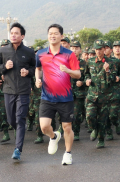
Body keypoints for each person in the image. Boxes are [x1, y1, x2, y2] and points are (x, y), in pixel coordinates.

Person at [35, 24, 81, 165]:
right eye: (50, 33)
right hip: (47, 97)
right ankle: (54, 137)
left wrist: (67, 70)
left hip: (65, 98)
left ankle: (67, 153)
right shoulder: (40, 54)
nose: (52, 35)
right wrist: (37, 78)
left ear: (61, 36)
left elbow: (78, 74)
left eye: (56, 33)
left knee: (67, 127)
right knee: (44, 127)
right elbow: (38, 68)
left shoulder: (69, 54)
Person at [0, 23, 36, 161]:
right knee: (11, 119)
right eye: (12, 33)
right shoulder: (3, 51)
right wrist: (4, 67)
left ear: (22, 36)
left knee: (20, 119)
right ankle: (18, 132)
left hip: (23, 90)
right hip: (8, 90)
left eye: (16, 33)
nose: (13, 35)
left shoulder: (29, 52)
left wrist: (28, 72)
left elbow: (35, 68)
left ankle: (18, 149)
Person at [84, 39, 116, 149]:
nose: (98, 51)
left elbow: (113, 80)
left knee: (102, 120)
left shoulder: (110, 62)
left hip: (105, 96)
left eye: (101, 49)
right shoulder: (90, 61)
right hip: (92, 95)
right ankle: (94, 129)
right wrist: (87, 80)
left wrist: (107, 71)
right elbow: (86, 74)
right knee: (89, 116)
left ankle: (101, 140)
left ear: (104, 49)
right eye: (96, 49)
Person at [70, 40, 88, 141]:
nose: (75, 50)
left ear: (80, 50)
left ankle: (76, 132)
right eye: (73, 48)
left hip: (79, 93)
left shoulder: (84, 64)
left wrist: (83, 82)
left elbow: (89, 77)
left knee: (76, 114)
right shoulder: (65, 62)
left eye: (77, 48)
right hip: (67, 92)